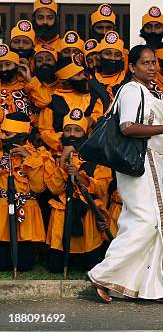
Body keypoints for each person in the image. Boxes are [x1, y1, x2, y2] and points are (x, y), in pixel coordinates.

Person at [87, 45, 163, 305]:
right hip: (139, 165)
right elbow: (127, 127)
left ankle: (147, 286)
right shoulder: (131, 90)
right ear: (132, 67)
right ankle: (101, 275)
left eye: (153, 63)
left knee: (144, 221)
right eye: (145, 63)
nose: (152, 67)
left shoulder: (146, 91)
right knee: (147, 221)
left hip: (151, 162)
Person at [44, 107, 112, 274]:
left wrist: (80, 177)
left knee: (92, 264)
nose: (72, 134)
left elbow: (102, 188)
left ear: (85, 133)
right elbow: (53, 188)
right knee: (55, 268)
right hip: (62, 213)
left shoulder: (97, 156)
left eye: (77, 130)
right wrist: (62, 162)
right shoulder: (52, 157)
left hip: (87, 215)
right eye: (67, 130)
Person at [0, 112, 48, 273]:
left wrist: (29, 159)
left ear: (20, 136)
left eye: (7, 134)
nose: (2, 136)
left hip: (26, 209)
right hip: (2, 210)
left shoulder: (38, 155)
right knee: (3, 264)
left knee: (24, 266)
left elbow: (38, 187)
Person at [39, 54, 103, 153]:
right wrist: (65, 144)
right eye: (78, 75)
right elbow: (45, 131)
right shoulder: (53, 101)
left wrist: (93, 120)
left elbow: (99, 118)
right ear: (66, 81)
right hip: (59, 155)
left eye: (82, 73)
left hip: (90, 153)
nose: (84, 77)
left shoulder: (94, 97)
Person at [0, 44, 37, 123]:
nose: (3, 69)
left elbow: (44, 102)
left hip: (27, 133)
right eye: (0, 66)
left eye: (8, 64)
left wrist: (30, 80)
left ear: (17, 66)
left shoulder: (27, 85)